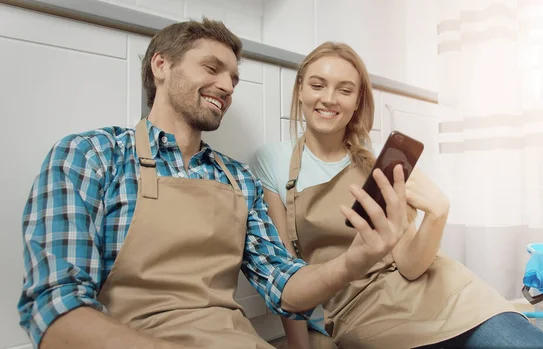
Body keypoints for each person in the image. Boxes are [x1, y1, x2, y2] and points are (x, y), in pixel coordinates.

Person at [17, 20, 412, 349]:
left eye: (233, 79)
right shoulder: (91, 155)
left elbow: (283, 284)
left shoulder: (239, 179)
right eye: (212, 68)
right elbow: (57, 307)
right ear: (161, 65)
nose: (226, 85)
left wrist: (353, 261)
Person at [250, 41, 543, 349]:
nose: (330, 98)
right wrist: (298, 344)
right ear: (300, 89)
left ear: (358, 100)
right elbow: (284, 271)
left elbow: (410, 265)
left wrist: (437, 215)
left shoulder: (380, 160)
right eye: (318, 85)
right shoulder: (273, 161)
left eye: (345, 90)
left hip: (449, 293)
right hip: (362, 311)